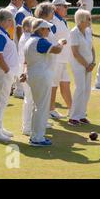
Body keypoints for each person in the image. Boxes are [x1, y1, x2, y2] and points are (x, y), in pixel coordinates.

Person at [24, 18, 64, 146]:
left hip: (34, 75)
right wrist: (61, 42)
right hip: (40, 76)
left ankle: (35, 135)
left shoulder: (30, 40)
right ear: (41, 29)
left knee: (38, 106)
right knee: (41, 107)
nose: (49, 31)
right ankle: (37, 138)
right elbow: (57, 50)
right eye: (47, 28)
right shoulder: (40, 41)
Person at [0, 9, 19, 143]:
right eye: (10, 20)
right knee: (0, 102)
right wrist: (7, 70)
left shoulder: (1, 32)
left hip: (3, 72)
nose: (11, 23)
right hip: (2, 72)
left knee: (2, 102)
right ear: (5, 21)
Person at [68, 10, 96, 126]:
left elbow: (92, 47)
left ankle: (82, 115)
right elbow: (75, 52)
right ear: (81, 20)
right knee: (80, 88)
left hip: (89, 64)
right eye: (88, 19)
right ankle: (73, 117)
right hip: (78, 64)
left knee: (87, 89)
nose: (90, 21)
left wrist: (93, 62)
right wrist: (86, 65)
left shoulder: (88, 31)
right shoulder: (74, 32)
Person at [49, 0, 73, 119]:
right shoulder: (52, 22)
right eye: (65, 6)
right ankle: (50, 109)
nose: (67, 8)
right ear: (57, 8)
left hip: (63, 58)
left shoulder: (62, 20)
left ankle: (72, 109)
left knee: (65, 82)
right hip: (55, 58)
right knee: (53, 84)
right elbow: (49, 37)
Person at [13, 0, 37, 98]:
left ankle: (21, 89)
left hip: (26, 42)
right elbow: (18, 29)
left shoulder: (30, 11)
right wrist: (20, 44)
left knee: (25, 65)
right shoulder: (21, 12)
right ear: (26, 1)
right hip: (22, 43)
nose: (35, 1)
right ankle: (19, 90)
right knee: (21, 65)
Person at [18, 16, 36, 136]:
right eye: (32, 25)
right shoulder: (27, 38)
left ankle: (32, 124)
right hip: (26, 72)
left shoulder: (28, 37)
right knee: (29, 100)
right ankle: (26, 127)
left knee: (32, 100)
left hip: (28, 71)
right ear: (25, 27)